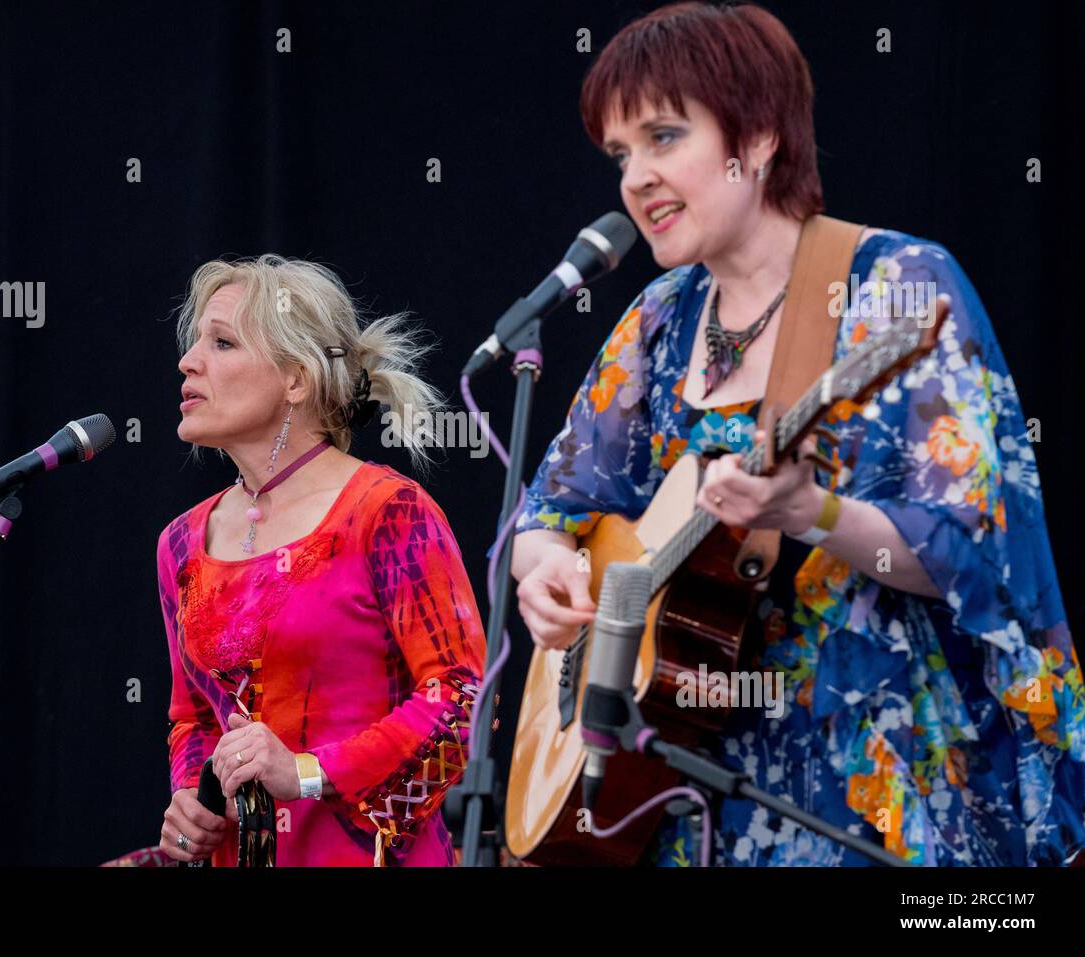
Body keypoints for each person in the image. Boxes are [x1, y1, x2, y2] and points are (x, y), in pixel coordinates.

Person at [510, 2, 1085, 866]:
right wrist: (546, 569)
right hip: (684, 798)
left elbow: (976, 555)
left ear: (761, 137)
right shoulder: (660, 319)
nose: (634, 178)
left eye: (664, 137)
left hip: (863, 788)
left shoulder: (892, 284)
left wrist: (812, 512)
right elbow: (550, 508)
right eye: (621, 154)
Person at [104, 254, 485, 867]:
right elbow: (193, 717)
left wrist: (306, 772)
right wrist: (190, 798)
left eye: (222, 342)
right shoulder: (180, 540)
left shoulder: (387, 511)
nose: (188, 361)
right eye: (196, 341)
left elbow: (463, 700)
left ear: (297, 380)